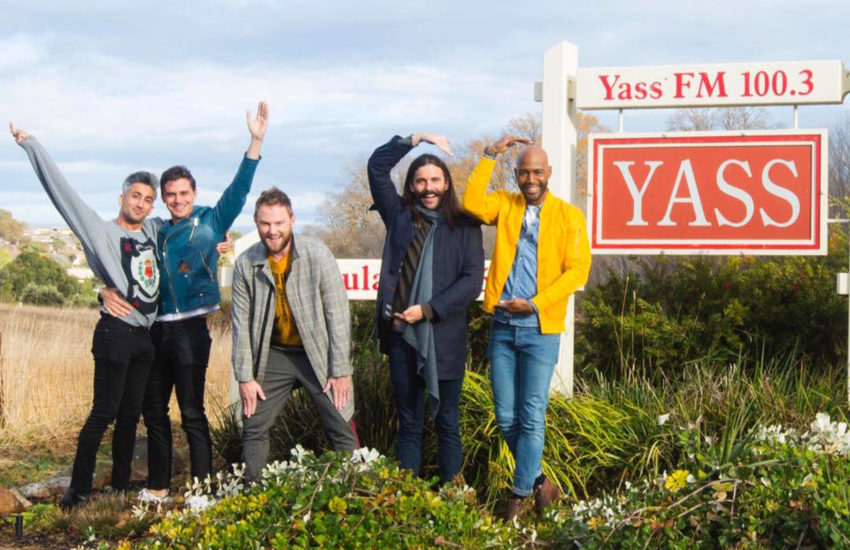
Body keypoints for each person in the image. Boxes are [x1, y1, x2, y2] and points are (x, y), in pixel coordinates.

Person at [101, 101, 269, 503]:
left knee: (192, 414)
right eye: (170, 195)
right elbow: (119, 249)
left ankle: (201, 490)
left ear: (194, 193)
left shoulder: (212, 221)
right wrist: (103, 289)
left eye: (183, 193)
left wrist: (255, 142)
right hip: (155, 330)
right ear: (162, 199)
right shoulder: (155, 229)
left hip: (192, 331)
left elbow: (240, 190)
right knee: (153, 411)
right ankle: (158, 487)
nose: (177, 200)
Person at [10, 123, 161, 510]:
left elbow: (191, 222)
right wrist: (33, 147)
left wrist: (221, 237)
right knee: (104, 413)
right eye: (135, 195)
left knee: (131, 415)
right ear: (122, 197)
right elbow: (64, 195)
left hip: (145, 339)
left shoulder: (155, 232)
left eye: (148, 199)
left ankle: (120, 487)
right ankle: (76, 491)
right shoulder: (100, 231)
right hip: (115, 333)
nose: (141, 203)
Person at [461, 136, 591, 519]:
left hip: (540, 326)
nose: (530, 178)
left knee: (532, 414)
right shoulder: (506, 204)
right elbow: (471, 203)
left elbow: (578, 271)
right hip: (502, 323)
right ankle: (541, 483)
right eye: (523, 172)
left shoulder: (569, 216)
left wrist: (535, 303)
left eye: (537, 171)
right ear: (516, 175)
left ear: (548, 173)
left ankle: (518, 497)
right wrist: (490, 156)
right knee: (505, 417)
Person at [367, 133, 484, 485]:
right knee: (410, 424)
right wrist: (416, 139)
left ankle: (452, 500)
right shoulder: (400, 216)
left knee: (447, 421)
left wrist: (429, 309)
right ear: (412, 185)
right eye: (421, 180)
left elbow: (471, 281)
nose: (428, 187)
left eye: (435, 180)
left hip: (444, 339)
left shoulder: (465, 225)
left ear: (446, 184)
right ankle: (409, 503)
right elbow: (376, 166)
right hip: (402, 337)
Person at [232, 187, 358, 481]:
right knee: (253, 422)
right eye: (265, 223)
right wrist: (245, 377)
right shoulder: (245, 265)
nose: (272, 231)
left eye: (279, 223)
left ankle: (355, 494)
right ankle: (254, 500)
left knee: (340, 421)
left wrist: (340, 370)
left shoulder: (317, 255)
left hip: (316, 354)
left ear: (292, 220)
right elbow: (240, 325)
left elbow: (338, 314)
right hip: (274, 354)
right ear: (256, 222)